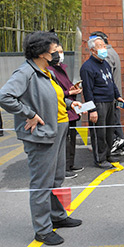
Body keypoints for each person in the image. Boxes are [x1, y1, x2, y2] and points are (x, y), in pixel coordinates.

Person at [0, 32, 83, 245]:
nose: (58, 53)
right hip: (42, 135)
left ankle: (57, 216)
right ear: (43, 53)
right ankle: (43, 229)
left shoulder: (46, 71)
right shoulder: (25, 72)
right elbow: (3, 97)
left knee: (55, 178)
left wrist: (71, 103)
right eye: (55, 50)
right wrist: (29, 113)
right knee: (42, 183)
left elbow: (55, 95)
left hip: (58, 129)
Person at [80, 35, 124, 168]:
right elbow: (87, 90)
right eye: (100, 47)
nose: (104, 49)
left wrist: (117, 96)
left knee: (110, 131)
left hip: (110, 101)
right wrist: (92, 109)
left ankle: (108, 154)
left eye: (104, 46)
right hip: (98, 103)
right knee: (99, 132)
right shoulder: (87, 67)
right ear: (92, 50)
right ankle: (100, 158)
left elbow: (111, 82)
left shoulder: (105, 63)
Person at [47, 44, 84, 179]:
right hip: (62, 110)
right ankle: (64, 168)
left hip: (70, 107)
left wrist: (72, 90)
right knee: (64, 141)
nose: (60, 54)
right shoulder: (48, 71)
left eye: (61, 51)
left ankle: (70, 163)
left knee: (71, 138)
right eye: (56, 52)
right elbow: (53, 93)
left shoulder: (61, 68)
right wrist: (69, 92)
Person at [91, 31, 124, 157]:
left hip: (109, 97)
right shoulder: (114, 53)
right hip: (114, 94)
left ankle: (116, 144)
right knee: (114, 121)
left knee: (111, 124)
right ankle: (119, 146)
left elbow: (106, 80)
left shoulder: (106, 57)